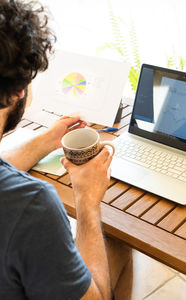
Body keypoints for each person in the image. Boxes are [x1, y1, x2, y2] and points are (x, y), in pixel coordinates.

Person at [0, 1, 133, 299]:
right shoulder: (31, 205)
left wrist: (48, 139)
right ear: (18, 90)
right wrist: (87, 201)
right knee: (119, 245)